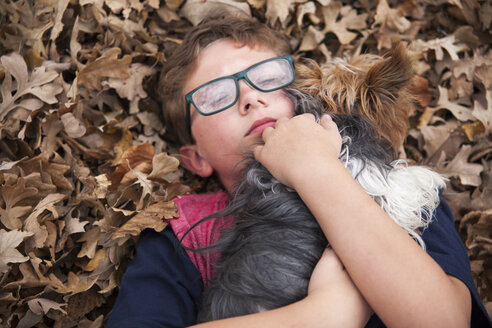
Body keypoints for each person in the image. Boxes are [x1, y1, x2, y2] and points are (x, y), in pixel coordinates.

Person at [107, 15, 491, 327]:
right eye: (214, 96)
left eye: (269, 77)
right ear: (195, 158)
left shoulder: (399, 189)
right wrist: (328, 312)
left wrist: (315, 169)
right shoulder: (183, 236)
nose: (251, 97)